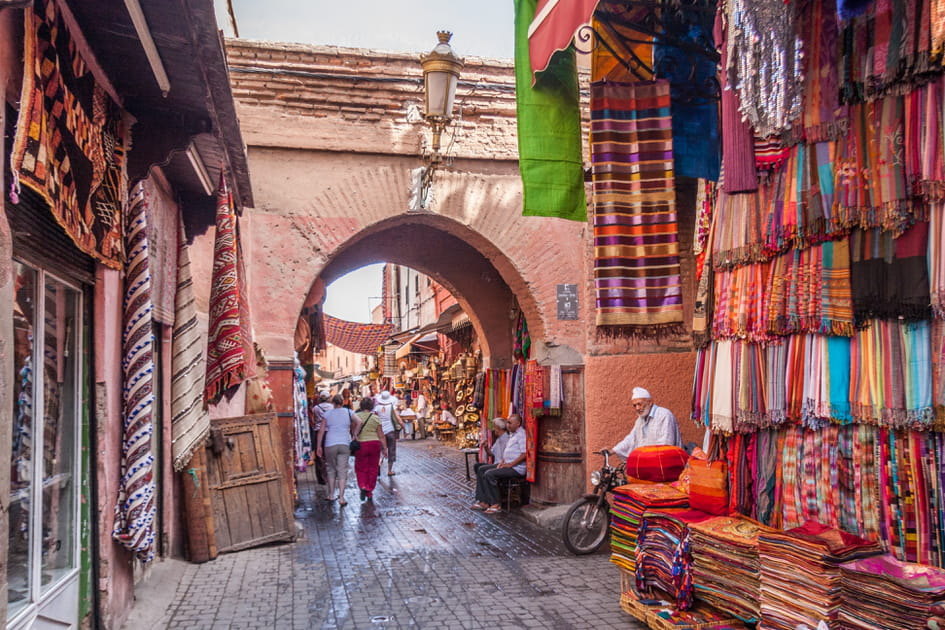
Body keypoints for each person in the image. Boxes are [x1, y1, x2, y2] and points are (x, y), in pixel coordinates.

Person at [470, 414, 526, 514]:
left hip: (516, 468)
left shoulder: (521, 435)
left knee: (489, 474)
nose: (508, 425)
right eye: (507, 422)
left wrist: (510, 464)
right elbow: (506, 453)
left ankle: (496, 503)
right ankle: (484, 501)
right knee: (481, 469)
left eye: (510, 423)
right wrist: (503, 463)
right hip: (508, 464)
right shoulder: (513, 435)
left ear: (518, 423)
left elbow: (524, 454)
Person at [610, 387, 682, 460]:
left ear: (650, 402)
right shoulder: (639, 421)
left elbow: (666, 443)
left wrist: (650, 457)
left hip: (667, 463)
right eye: (634, 405)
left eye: (639, 404)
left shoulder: (664, 415)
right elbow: (631, 439)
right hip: (649, 463)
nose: (637, 408)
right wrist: (613, 451)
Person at [316, 395, 361, 506]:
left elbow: (321, 431)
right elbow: (360, 422)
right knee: (342, 471)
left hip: (330, 443)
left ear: (333, 403)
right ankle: (341, 498)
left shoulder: (327, 414)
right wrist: (355, 434)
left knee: (331, 469)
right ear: (342, 402)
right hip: (345, 443)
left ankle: (331, 495)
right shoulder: (348, 412)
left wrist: (318, 446)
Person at [352, 397, 387, 502]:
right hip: (374, 444)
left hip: (361, 444)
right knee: (373, 468)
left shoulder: (356, 417)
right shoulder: (376, 418)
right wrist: (384, 448)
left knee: (360, 467)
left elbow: (353, 432)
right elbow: (381, 435)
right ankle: (369, 490)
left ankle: (362, 485)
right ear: (372, 406)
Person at [374, 390, 402, 476]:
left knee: (381, 450)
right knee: (391, 450)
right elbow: (397, 418)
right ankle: (390, 470)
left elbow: (374, 418)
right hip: (390, 430)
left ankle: (379, 463)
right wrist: (403, 426)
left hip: (380, 431)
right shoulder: (391, 407)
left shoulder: (377, 408)